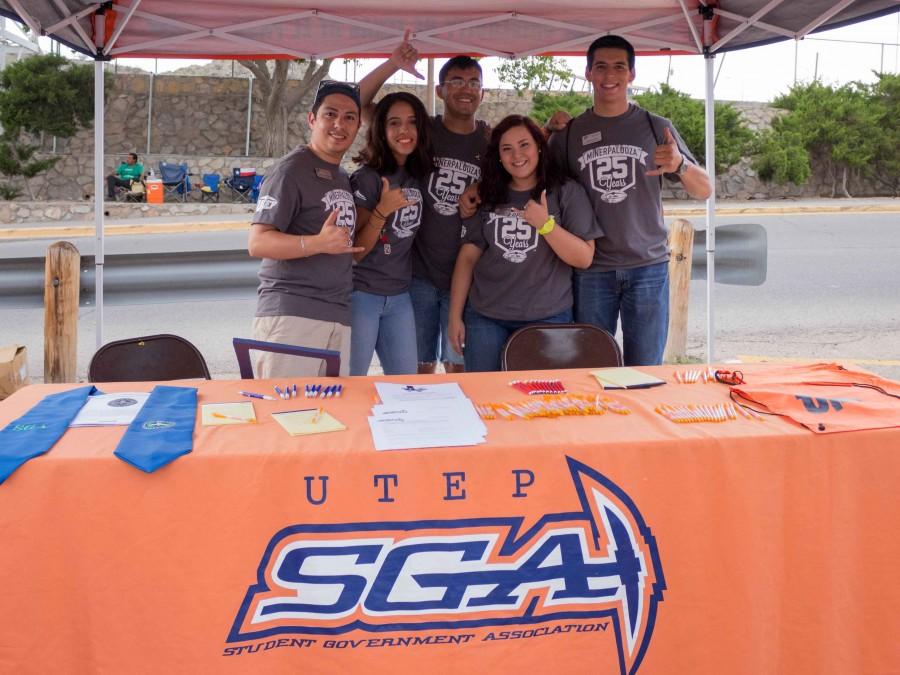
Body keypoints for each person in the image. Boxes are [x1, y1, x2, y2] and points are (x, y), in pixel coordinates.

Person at [547, 35, 712, 366]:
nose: (610, 76)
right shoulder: (569, 136)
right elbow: (532, 172)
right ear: (588, 73)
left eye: (619, 67)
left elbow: (705, 189)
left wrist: (679, 164)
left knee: (646, 369)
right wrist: (545, 131)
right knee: (592, 367)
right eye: (601, 67)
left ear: (632, 74)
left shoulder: (656, 127)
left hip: (647, 267)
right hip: (592, 270)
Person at [360, 35, 489, 374]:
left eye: (474, 82)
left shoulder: (491, 139)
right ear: (440, 91)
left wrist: (482, 184)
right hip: (417, 276)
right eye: (456, 81)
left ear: (483, 93)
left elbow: (528, 161)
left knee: (459, 368)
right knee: (417, 371)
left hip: (467, 277)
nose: (466, 89)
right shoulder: (422, 130)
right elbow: (357, 103)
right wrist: (392, 64)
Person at [448, 115, 601, 372]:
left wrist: (545, 225)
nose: (516, 155)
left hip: (547, 317)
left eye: (524, 145)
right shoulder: (487, 193)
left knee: (541, 402)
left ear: (539, 146)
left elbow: (584, 257)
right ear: (497, 155)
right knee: (486, 399)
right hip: (487, 316)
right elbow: (468, 256)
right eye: (506, 149)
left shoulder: (565, 191)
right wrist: (454, 317)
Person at [247, 80, 365, 378]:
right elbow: (258, 242)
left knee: (326, 419)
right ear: (312, 119)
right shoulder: (290, 170)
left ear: (358, 126)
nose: (340, 124)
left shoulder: (340, 175)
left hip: (336, 314)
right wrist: (317, 243)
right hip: (292, 315)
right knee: (285, 417)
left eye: (350, 117)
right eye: (330, 114)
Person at [348, 92, 432, 375]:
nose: (404, 131)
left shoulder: (417, 174)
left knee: (406, 384)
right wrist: (381, 212)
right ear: (381, 131)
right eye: (394, 123)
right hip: (362, 295)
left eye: (411, 122)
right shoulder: (368, 177)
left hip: (399, 296)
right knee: (352, 382)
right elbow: (357, 249)